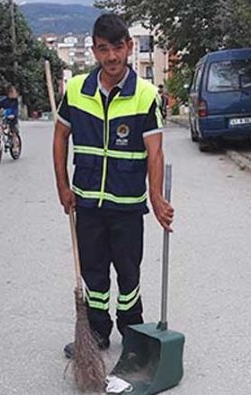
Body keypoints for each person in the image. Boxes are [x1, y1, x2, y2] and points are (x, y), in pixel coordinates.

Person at [52, 13, 175, 359]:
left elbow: (155, 151)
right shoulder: (76, 90)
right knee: (93, 273)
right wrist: (62, 185)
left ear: (128, 47)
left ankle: (132, 331)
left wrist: (156, 196)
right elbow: (60, 137)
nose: (111, 57)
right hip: (87, 203)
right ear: (94, 50)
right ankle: (96, 332)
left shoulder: (146, 95)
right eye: (104, 49)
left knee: (128, 272)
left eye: (117, 48)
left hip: (127, 205)